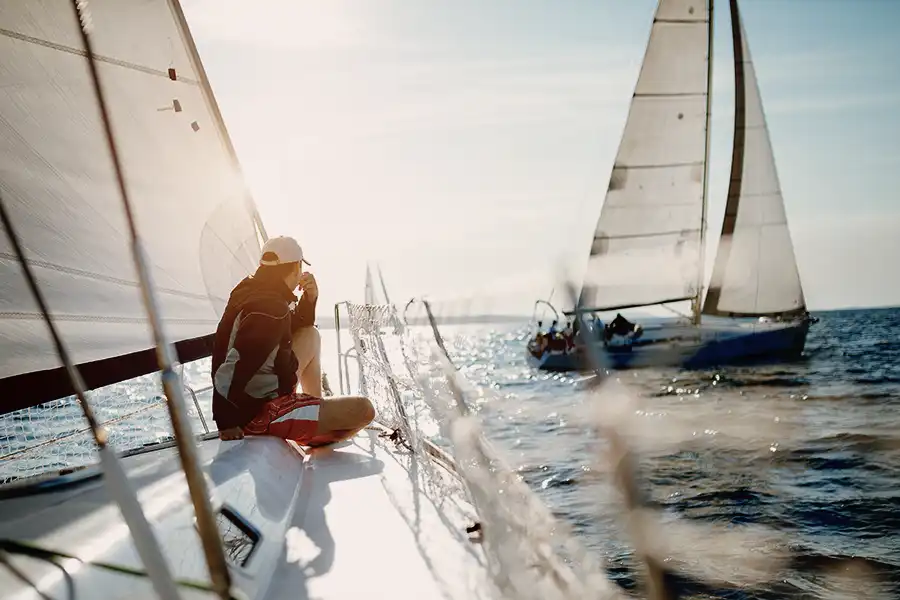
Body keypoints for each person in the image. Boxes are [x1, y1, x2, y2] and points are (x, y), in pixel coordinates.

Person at [211, 236, 375, 445]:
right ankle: (312, 431)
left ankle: (313, 409)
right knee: (364, 410)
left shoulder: (256, 292)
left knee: (310, 334)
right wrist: (226, 422)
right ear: (296, 267)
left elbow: (294, 326)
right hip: (259, 411)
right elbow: (233, 367)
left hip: (263, 390)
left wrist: (309, 298)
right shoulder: (268, 309)